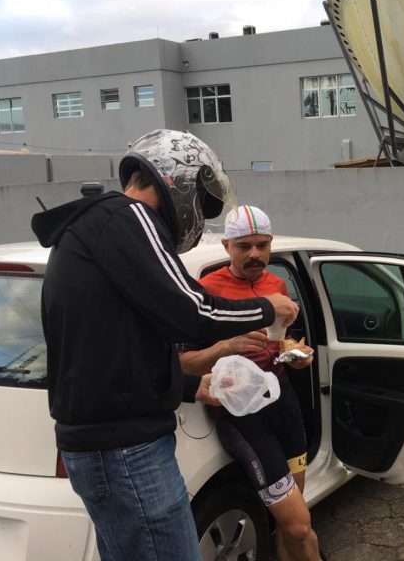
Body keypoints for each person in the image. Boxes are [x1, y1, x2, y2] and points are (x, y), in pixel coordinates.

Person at [31, 129, 299, 561]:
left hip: (105, 446)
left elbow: (119, 347)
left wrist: (191, 387)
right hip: (126, 450)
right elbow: (193, 311)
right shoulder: (128, 217)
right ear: (179, 181)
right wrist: (268, 308)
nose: (200, 213)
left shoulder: (99, 229)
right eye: (202, 199)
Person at [180, 205, 322, 561]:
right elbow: (182, 364)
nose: (255, 254)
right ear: (227, 246)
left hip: (283, 402)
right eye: (244, 246)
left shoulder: (275, 285)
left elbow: (279, 343)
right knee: (301, 526)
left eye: (261, 245)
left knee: (290, 523)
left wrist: (298, 354)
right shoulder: (206, 292)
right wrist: (229, 345)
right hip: (243, 415)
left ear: (270, 244)